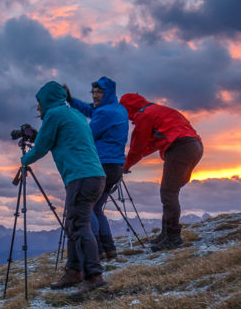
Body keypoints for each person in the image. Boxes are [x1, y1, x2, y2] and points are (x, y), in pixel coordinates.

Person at [20, 81, 108, 295]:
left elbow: (41, 147)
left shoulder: (54, 115)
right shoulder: (74, 114)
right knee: (74, 224)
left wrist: (25, 159)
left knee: (79, 225)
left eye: (39, 103)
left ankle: (94, 276)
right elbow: (57, 138)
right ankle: (74, 271)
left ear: (46, 100)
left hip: (80, 177)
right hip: (95, 175)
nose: (38, 107)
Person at [119, 93, 204, 251]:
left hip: (180, 147)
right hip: (195, 146)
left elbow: (139, 146)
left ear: (128, 108)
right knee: (170, 191)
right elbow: (151, 145)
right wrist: (129, 163)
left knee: (168, 192)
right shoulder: (159, 111)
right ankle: (166, 234)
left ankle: (173, 237)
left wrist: (125, 165)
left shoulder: (144, 115)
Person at [69, 76, 129, 260]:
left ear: (107, 92)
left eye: (99, 92)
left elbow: (87, 134)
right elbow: (91, 110)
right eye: (93, 92)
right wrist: (72, 101)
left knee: (87, 207)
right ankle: (108, 249)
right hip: (115, 166)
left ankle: (95, 250)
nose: (95, 95)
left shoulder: (104, 113)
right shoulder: (116, 109)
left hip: (101, 164)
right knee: (96, 207)